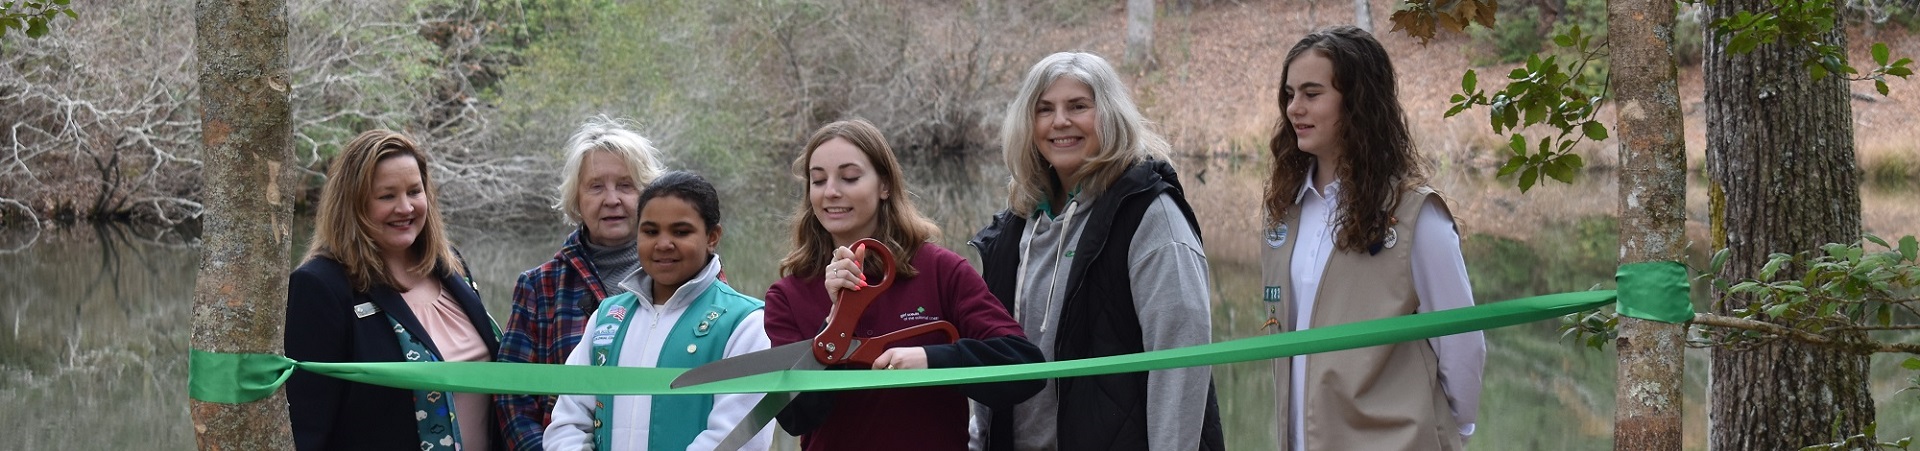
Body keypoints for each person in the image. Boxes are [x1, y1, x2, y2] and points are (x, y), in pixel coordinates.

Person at [969, 52, 1224, 451]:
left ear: (1110, 114)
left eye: (1078, 106)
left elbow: (1180, 357)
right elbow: (988, 354)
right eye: (1044, 109)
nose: (1059, 122)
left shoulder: (1149, 213)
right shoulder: (1016, 225)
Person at [1261, 25, 1485, 450]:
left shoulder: (1417, 216)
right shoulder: (1283, 213)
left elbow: (1462, 344)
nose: (1294, 109)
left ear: (1358, 103)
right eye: (1289, 94)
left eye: (1312, 93)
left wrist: (1449, 429)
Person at [765, 119, 1044, 451]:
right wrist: (837, 320)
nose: (831, 192)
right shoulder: (787, 295)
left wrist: (932, 361)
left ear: (884, 185)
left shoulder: (942, 270)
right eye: (818, 180)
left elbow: (1024, 368)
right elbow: (795, 417)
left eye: (850, 177)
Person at [286, 129, 503, 451]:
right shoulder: (320, 286)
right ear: (353, 204)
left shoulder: (451, 264)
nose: (405, 208)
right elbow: (306, 425)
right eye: (387, 196)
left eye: (414, 191)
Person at [545, 171, 772, 451]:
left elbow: (737, 437)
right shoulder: (607, 317)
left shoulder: (745, 323)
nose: (664, 244)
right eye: (651, 231)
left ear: (712, 236)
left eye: (681, 231)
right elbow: (569, 420)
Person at [495, 116, 665, 451]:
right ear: (577, 199)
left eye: (626, 185)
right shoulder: (540, 286)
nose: (612, 199)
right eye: (596, 186)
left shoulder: (686, 278)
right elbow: (512, 396)